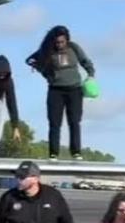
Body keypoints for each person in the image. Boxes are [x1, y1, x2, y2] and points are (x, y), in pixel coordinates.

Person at [26, 25, 96, 160]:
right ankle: (53, 153)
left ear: (67, 40)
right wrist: (45, 73)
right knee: (54, 123)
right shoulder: (47, 50)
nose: (60, 45)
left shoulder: (74, 47)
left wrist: (91, 74)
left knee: (74, 121)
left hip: (74, 90)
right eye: (57, 42)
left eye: (62, 42)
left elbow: (85, 61)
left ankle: (76, 152)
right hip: (55, 90)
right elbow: (29, 60)